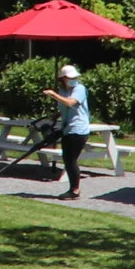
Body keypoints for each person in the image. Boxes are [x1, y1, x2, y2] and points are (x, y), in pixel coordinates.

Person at [42, 63, 93, 199]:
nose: (73, 79)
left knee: (70, 160)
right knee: (67, 159)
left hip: (78, 129)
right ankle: (73, 189)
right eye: (69, 77)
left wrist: (53, 94)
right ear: (62, 78)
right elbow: (66, 106)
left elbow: (71, 103)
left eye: (75, 76)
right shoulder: (63, 90)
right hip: (67, 128)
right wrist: (58, 115)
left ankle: (74, 190)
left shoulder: (79, 88)